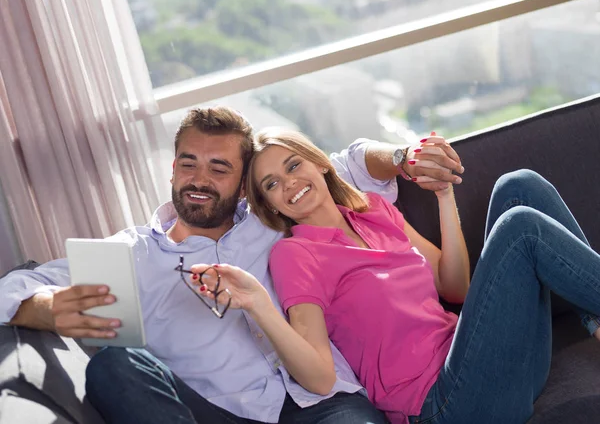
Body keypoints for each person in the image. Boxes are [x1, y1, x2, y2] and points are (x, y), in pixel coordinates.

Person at [0, 106, 463, 424]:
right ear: (172, 171)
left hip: (324, 401)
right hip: (221, 413)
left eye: (219, 168)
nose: (200, 179)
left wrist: (403, 158)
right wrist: (43, 307)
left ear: (244, 186)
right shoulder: (131, 253)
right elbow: (15, 284)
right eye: (189, 164)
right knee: (115, 365)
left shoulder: (274, 214)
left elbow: (349, 163)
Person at [193, 127, 600, 424]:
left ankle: (595, 321)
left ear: (318, 163)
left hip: (492, 366)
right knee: (520, 227)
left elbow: (454, 287)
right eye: (272, 184)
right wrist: (259, 306)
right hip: (446, 404)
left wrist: (444, 196)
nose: (290, 184)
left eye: (294, 165)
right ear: (272, 205)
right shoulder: (296, 254)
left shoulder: (372, 209)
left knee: (519, 186)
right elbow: (318, 377)